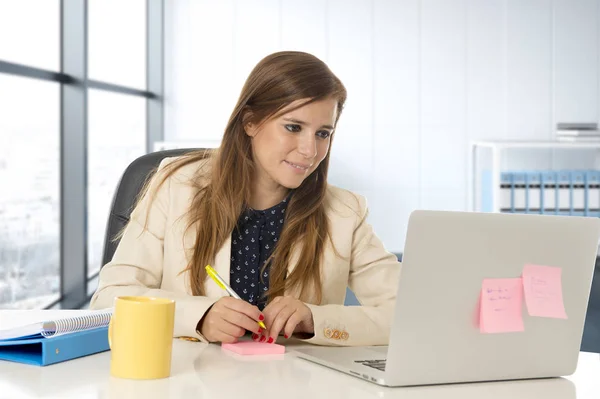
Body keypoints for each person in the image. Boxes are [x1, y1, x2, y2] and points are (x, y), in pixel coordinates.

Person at [90, 51, 401, 346]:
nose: (311, 150)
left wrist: (314, 319)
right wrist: (198, 317)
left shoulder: (344, 212)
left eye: (323, 133)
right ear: (250, 121)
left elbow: (408, 312)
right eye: (293, 127)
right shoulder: (175, 185)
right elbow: (110, 298)